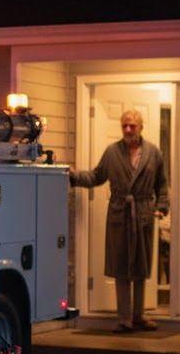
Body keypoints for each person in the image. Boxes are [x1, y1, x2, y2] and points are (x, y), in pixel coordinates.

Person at [69, 110, 169, 332]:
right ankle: (124, 319)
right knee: (122, 266)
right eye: (124, 125)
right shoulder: (112, 152)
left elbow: (161, 183)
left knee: (141, 267)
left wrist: (161, 208)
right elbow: (97, 176)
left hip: (142, 213)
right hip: (119, 213)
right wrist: (74, 176)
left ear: (141, 127)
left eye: (132, 125)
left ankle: (139, 316)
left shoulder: (153, 153)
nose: (128, 130)